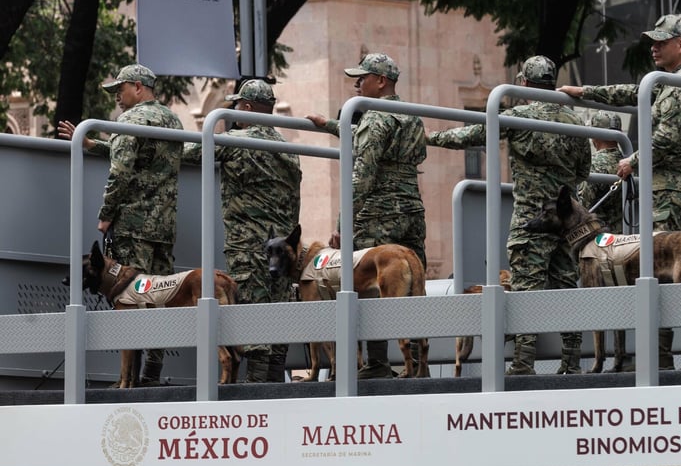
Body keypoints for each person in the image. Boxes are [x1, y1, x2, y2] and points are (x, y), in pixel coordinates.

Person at [558, 14, 681, 370]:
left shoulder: (678, 85)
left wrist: (633, 161)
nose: (654, 48)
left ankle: (658, 360)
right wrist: (585, 93)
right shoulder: (675, 80)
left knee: (660, 270)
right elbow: (632, 93)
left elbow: (666, 138)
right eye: (653, 41)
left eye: (661, 41)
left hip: (674, 192)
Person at [428, 56, 591, 375]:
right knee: (567, 290)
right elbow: (583, 169)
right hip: (566, 222)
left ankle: (523, 364)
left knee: (526, 293)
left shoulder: (519, 116)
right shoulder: (574, 121)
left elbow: (468, 136)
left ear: (526, 84)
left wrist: (431, 137)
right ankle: (571, 364)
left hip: (532, 222)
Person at [57, 63, 183, 386]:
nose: (117, 97)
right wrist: (93, 145)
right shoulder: (172, 120)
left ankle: (128, 379)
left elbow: (122, 170)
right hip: (164, 229)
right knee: (161, 299)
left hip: (133, 228)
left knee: (130, 301)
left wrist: (106, 214)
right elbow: (139, 156)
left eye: (120, 89)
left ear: (138, 87)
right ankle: (151, 374)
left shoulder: (128, 121)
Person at [307, 53, 427, 379]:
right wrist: (331, 125)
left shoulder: (375, 118)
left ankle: (377, 363)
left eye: (363, 78)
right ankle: (418, 365)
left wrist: (342, 225)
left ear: (381, 81)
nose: (357, 83)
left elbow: (361, 176)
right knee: (413, 285)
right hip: (412, 211)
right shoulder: (412, 115)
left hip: (379, 214)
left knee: (375, 285)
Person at [181, 79, 302, 383]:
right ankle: (274, 382)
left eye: (236, 105)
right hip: (283, 252)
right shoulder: (290, 149)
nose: (234, 111)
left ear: (246, 107)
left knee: (251, 313)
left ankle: (259, 386)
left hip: (249, 249)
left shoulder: (235, 142)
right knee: (279, 313)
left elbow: (188, 154)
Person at [579, 111, 625, 233]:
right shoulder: (630, 163)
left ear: (595, 135)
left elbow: (583, 205)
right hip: (629, 234)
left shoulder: (593, 164)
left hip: (600, 237)